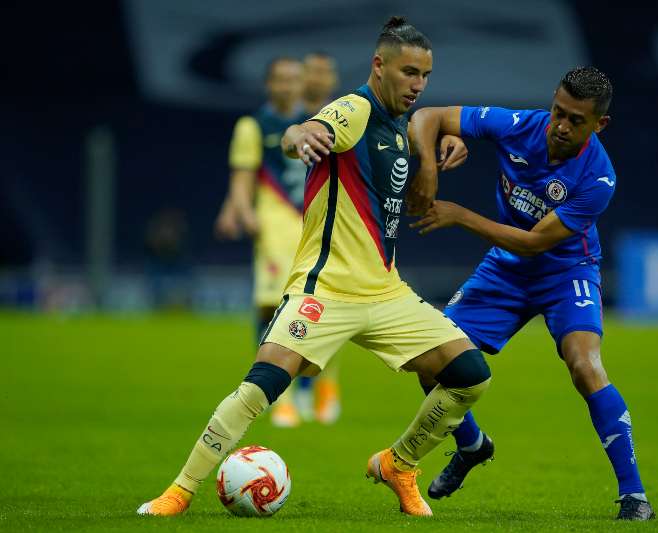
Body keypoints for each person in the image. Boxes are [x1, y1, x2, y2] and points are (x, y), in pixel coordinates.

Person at [137, 16, 486, 518]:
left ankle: (400, 464)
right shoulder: (354, 108)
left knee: (470, 374)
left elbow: (401, 174)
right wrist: (299, 136)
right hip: (325, 292)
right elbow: (307, 130)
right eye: (409, 72)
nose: (418, 85)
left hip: (387, 293)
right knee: (260, 386)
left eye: (425, 75)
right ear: (378, 65)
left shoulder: (398, 127)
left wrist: (438, 149)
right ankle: (179, 491)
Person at [407, 66, 655, 521]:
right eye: (558, 111)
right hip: (506, 269)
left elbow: (535, 242)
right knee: (430, 356)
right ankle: (473, 446)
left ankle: (634, 495)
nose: (560, 125)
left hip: (566, 271)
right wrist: (429, 164)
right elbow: (427, 117)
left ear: (599, 125)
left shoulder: (598, 179)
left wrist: (459, 214)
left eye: (575, 120)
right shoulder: (521, 125)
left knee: (585, 365)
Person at [214, 55, 342, 427]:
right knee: (272, 308)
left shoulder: (319, 122)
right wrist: (240, 209)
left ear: (303, 82)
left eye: (293, 79)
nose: (287, 86)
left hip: (316, 224)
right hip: (274, 225)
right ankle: (279, 393)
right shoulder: (254, 125)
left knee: (322, 308)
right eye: (280, 80)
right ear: (269, 84)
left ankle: (319, 387)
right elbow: (244, 175)